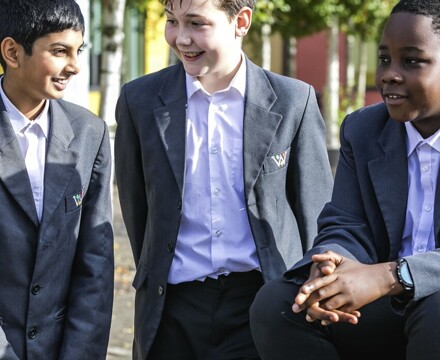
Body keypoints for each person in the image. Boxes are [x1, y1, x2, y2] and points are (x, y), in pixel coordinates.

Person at [114, 0, 333, 358]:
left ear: (241, 22)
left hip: (265, 302)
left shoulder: (294, 100)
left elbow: (316, 214)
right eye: (172, 21)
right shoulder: (138, 101)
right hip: (172, 310)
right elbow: (138, 211)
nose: (181, 38)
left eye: (197, 23)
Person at [250, 1, 440, 359]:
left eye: (412, 61)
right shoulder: (365, 129)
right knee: (279, 305)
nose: (389, 75)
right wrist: (331, 268)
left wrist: (391, 276)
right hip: (384, 305)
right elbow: (346, 221)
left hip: (429, 307)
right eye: (384, 59)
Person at [0, 0, 114, 358]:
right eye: (60, 51)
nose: (76, 66)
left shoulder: (89, 133)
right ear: (12, 52)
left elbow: (95, 263)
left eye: (79, 51)